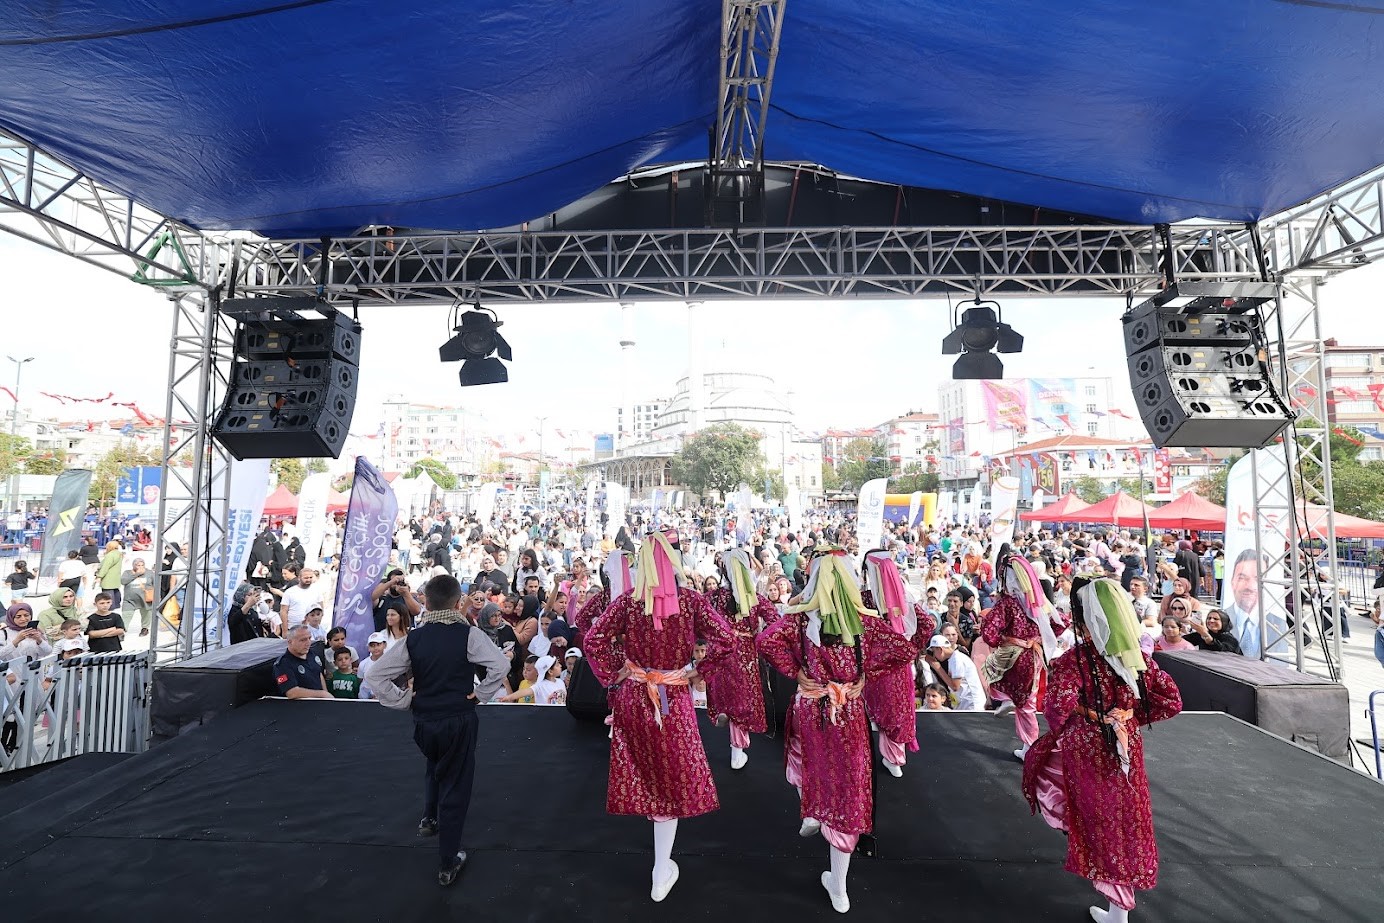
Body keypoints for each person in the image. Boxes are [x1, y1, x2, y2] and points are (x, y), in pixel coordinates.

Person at [757, 546, 922, 914]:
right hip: (847, 712)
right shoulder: (864, 623)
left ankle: (813, 812)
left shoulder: (801, 620)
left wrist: (795, 670)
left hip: (811, 706)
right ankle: (839, 883)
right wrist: (866, 675)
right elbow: (909, 644)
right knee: (848, 789)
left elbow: (765, 640)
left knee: (812, 765)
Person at [583, 529, 736, 903]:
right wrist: (701, 671)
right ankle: (660, 866)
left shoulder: (627, 604)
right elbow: (728, 639)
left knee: (647, 772)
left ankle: (660, 866)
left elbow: (592, 639)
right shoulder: (693, 601)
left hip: (635, 697)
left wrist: (616, 670)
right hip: (674, 696)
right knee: (671, 778)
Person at [1022, 576, 1182, 923]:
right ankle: (1118, 907)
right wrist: (1129, 717)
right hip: (1126, 745)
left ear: (1083, 621)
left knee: (1093, 815)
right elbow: (1171, 701)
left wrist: (1084, 722)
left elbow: (1056, 708)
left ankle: (1114, 903)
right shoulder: (1137, 659)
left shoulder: (1073, 661)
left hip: (1088, 747)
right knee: (1125, 819)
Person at [367, 574, 510, 887]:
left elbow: (375, 676)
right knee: (456, 786)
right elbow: (501, 666)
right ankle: (448, 860)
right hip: (458, 718)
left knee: (435, 763)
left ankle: (429, 817)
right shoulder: (469, 635)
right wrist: (482, 693)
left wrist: (403, 700)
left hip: (424, 721)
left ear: (425, 602)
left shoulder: (413, 639)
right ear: (458, 603)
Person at [982, 551, 1066, 761]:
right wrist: (1038, 639)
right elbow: (1060, 622)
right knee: (1028, 701)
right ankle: (1029, 745)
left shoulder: (1008, 603)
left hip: (1012, 654)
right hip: (1033, 656)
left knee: (991, 672)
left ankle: (1006, 700)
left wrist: (1001, 640)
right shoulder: (1039, 602)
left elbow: (989, 633)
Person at [859, 549, 936, 777]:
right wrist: (910, 648)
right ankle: (894, 757)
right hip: (899, 667)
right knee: (897, 708)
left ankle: (885, 744)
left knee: (878, 704)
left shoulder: (865, 599)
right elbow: (928, 624)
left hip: (874, 666)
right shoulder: (904, 597)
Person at [703, 548, 775, 770]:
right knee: (743, 701)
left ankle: (725, 717)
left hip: (721, 653)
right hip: (745, 655)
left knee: (724, 693)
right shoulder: (756, 600)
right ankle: (738, 749)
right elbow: (776, 622)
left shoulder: (714, 597)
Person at [1221, 549, 1289, 659]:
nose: (1250, 586)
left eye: (1258, 579)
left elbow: (1280, 664)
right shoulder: (1218, 619)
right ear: (1232, 581)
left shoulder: (1277, 624)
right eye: (1242, 578)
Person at [273, 625, 333, 699]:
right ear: (290, 642)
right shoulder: (283, 664)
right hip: (300, 707)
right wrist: (322, 694)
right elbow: (292, 693)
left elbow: (319, 674)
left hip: (319, 704)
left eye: (309, 638)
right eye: (303, 640)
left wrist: (326, 696)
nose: (308, 643)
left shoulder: (311, 654)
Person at [279, 567, 324, 636]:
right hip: (293, 628)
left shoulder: (317, 591)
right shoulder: (289, 592)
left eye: (310, 577)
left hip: (311, 630)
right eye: (306, 578)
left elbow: (321, 609)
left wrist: (317, 625)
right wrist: (284, 631)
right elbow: (283, 612)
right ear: (299, 578)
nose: (308, 580)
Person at [120, 558, 154, 637]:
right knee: (126, 614)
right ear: (133, 565)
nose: (140, 567)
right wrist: (136, 574)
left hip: (145, 599)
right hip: (130, 600)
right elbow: (123, 581)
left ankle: (145, 628)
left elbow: (155, 583)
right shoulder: (127, 573)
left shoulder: (149, 573)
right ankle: (122, 631)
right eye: (138, 565)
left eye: (142, 565)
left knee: (146, 614)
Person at [97, 541, 124, 610]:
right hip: (116, 576)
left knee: (108, 592)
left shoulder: (110, 555)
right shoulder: (119, 554)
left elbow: (105, 567)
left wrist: (99, 576)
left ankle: (110, 606)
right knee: (115, 590)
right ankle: (117, 604)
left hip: (108, 577)